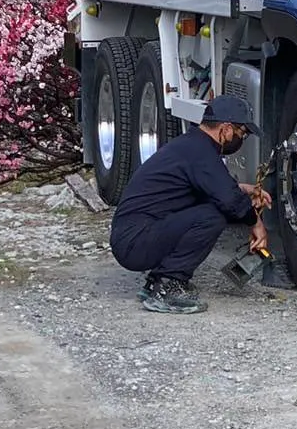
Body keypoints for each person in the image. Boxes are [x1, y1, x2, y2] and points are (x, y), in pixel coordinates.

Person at [109, 95, 273, 314]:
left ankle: (157, 282)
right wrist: (257, 224)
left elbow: (211, 187)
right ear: (225, 129)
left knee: (213, 207)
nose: (241, 140)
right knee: (212, 216)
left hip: (133, 235)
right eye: (241, 133)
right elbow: (229, 201)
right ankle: (167, 286)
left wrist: (242, 188)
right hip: (135, 242)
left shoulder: (192, 146)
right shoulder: (201, 153)